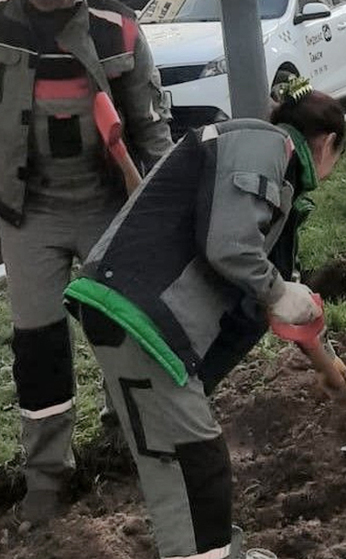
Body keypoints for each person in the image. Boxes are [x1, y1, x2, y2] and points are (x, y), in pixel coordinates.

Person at [64, 81, 346, 559]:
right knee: (193, 466)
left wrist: (327, 361)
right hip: (142, 321)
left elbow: (272, 293)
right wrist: (279, 292)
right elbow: (232, 248)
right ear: (326, 145)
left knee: (188, 463)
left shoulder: (271, 171)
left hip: (140, 320)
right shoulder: (264, 146)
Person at [0, 0, 173, 523]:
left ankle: (129, 444)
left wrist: (167, 210)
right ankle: (48, 476)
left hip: (108, 204)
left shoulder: (117, 29)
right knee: (38, 346)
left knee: (123, 335)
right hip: (29, 211)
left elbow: (152, 131)